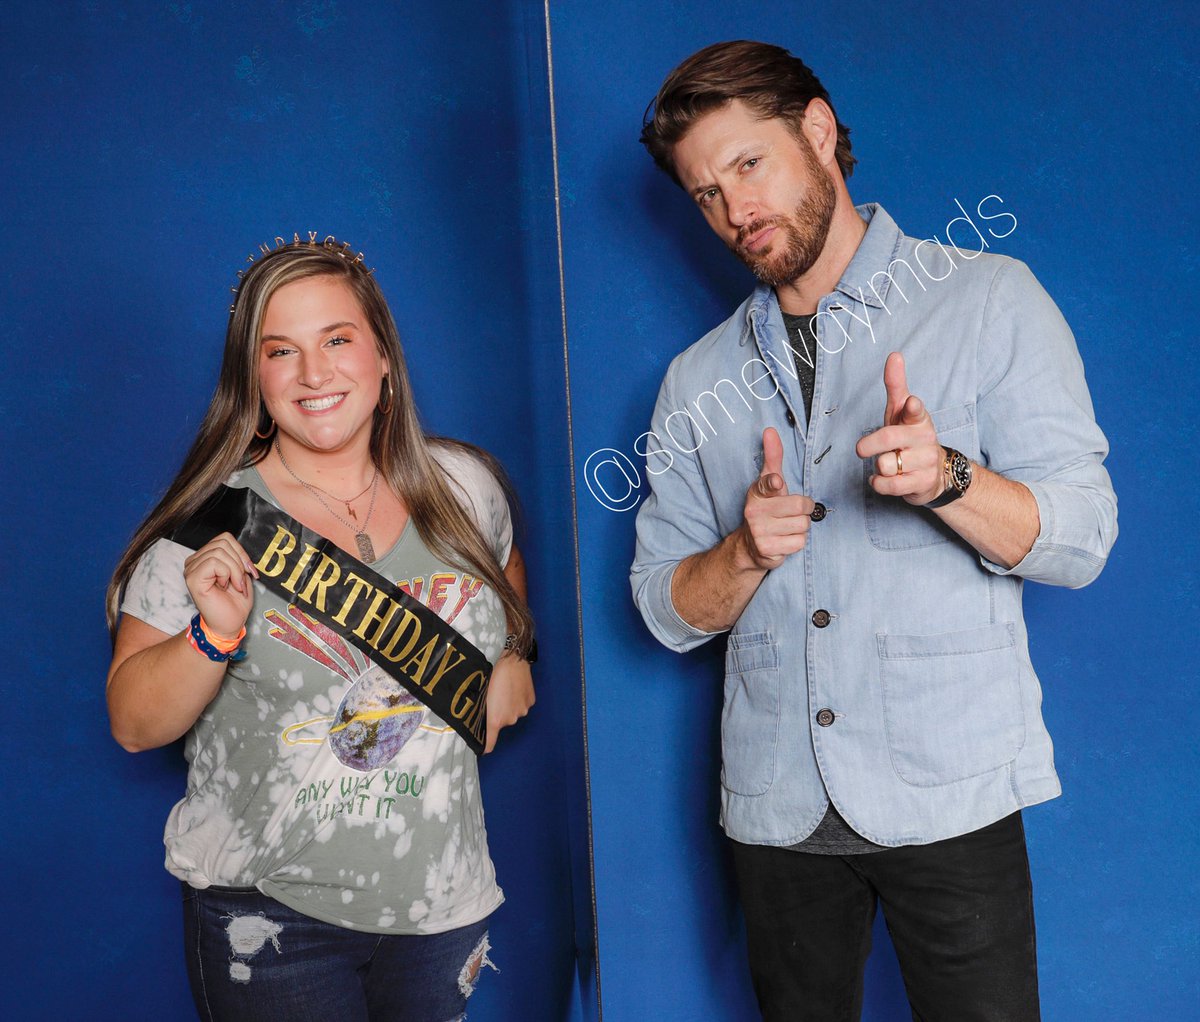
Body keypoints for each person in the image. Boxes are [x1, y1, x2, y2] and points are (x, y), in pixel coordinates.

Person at [631, 40, 1117, 1021]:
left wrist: (948, 478)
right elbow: (663, 608)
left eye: (748, 165)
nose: (734, 210)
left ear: (816, 130)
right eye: (705, 193)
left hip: (952, 797)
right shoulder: (695, 382)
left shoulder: (988, 300)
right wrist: (742, 551)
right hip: (776, 815)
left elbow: (1083, 537)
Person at [106, 234, 537, 1021]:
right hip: (271, 917)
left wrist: (513, 652)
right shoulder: (209, 530)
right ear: (254, 378)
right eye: (281, 351)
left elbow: (503, 576)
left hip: (441, 904)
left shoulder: (465, 487)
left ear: (382, 359)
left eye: (337, 339)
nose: (314, 373)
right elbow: (134, 724)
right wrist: (212, 636)